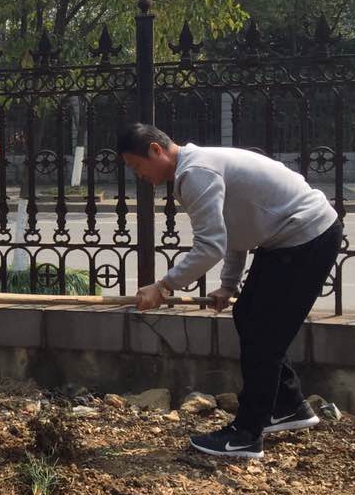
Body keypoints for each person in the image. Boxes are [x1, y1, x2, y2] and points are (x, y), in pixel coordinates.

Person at [118, 123, 341, 460]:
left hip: (306, 235)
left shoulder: (196, 173)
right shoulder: (196, 168)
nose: (139, 176)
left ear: (155, 150)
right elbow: (235, 228)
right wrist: (229, 284)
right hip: (291, 237)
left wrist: (163, 287)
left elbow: (210, 246)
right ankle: (288, 406)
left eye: (137, 166)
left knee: (264, 334)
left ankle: (247, 435)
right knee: (248, 315)